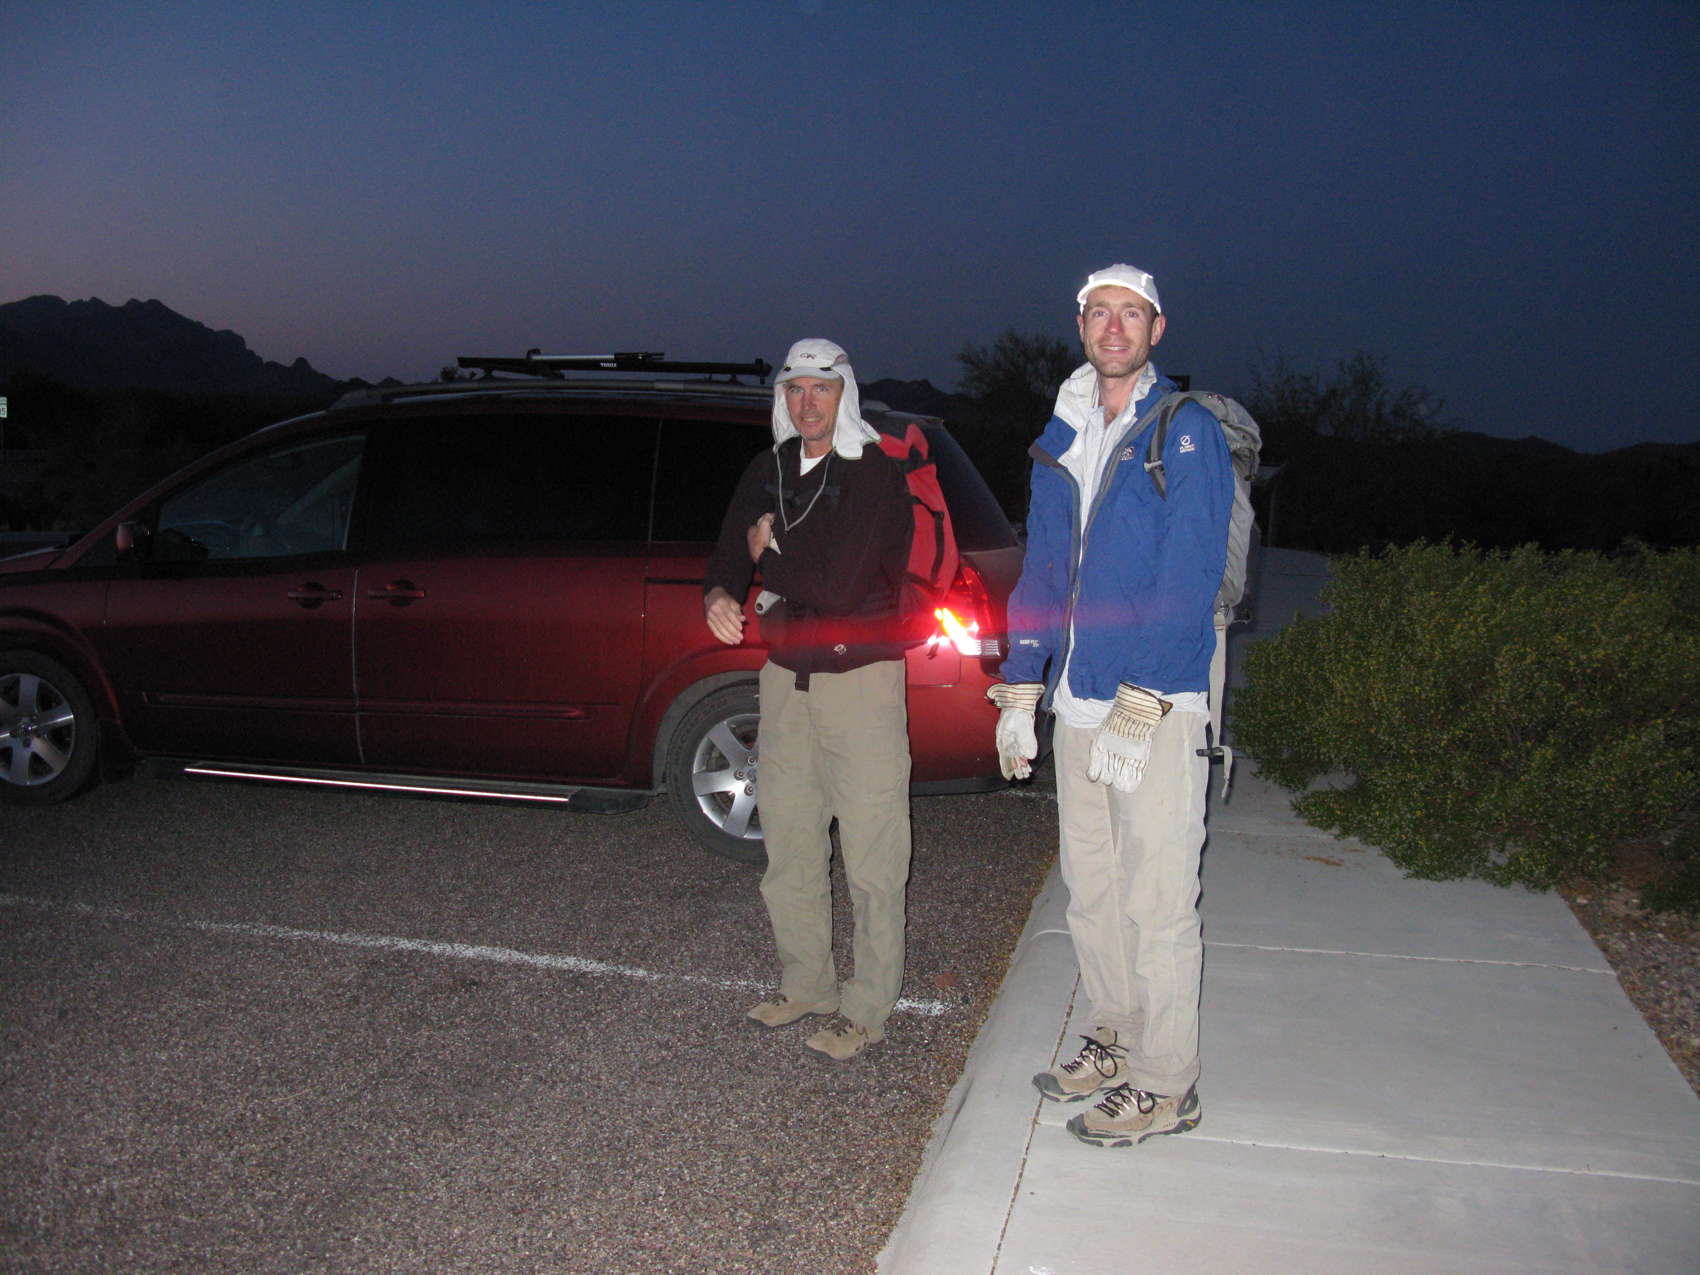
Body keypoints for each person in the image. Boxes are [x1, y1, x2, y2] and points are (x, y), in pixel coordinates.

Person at [989, 265, 1233, 1145]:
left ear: (1157, 329)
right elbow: (1044, 569)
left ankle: (1168, 1085)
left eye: (1132, 313)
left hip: (1156, 706)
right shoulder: (1063, 435)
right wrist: (1022, 685)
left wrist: (1144, 695)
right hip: (1080, 704)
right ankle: (1117, 1034)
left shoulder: (1184, 429)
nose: (1115, 326)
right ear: (1081, 324)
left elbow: (1189, 572)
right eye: (1101, 312)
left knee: (1158, 903)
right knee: (1092, 891)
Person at [703, 337, 915, 1062]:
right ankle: (807, 984)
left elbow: (843, 587)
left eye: (821, 387)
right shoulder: (768, 468)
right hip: (785, 679)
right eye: (794, 388)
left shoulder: (872, 473)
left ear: (844, 393)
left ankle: (867, 1006)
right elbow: (729, 548)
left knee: (873, 855)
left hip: (862, 684)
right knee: (790, 842)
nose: (807, 402)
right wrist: (721, 591)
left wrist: (770, 552)